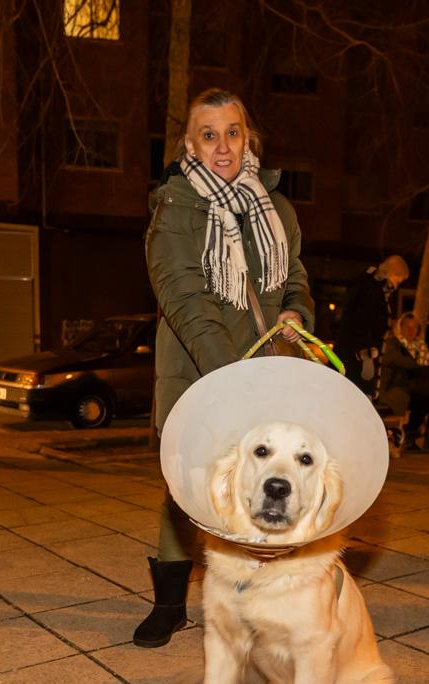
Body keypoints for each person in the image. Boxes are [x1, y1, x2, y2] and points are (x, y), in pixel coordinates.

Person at [134, 88, 314, 647]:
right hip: (199, 372)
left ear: (247, 137)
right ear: (189, 144)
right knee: (187, 488)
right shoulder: (175, 209)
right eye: (208, 135)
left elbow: (295, 274)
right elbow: (187, 301)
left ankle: (257, 603)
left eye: (232, 133)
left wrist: (295, 310)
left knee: (262, 486)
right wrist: (233, 380)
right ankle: (170, 605)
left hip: (268, 373)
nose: (222, 146)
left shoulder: (274, 206)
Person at [334, 255, 410, 396]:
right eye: (398, 280)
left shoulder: (367, 287)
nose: (397, 285)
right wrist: (367, 357)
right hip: (356, 360)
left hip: (352, 357)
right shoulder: (372, 291)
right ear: (391, 273)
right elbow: (362, 324)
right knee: (356, 397)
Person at [381, 313, 429, 451]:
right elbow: (399, 361)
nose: (411, 331)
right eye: (407, 327)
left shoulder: (420, 346)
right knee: (426, 396)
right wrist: (422, 366)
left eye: (414, 327)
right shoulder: (392, 343)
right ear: (400, 327)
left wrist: (427, 368)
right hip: (396, 390)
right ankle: (411, 434)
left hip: (416, 389)